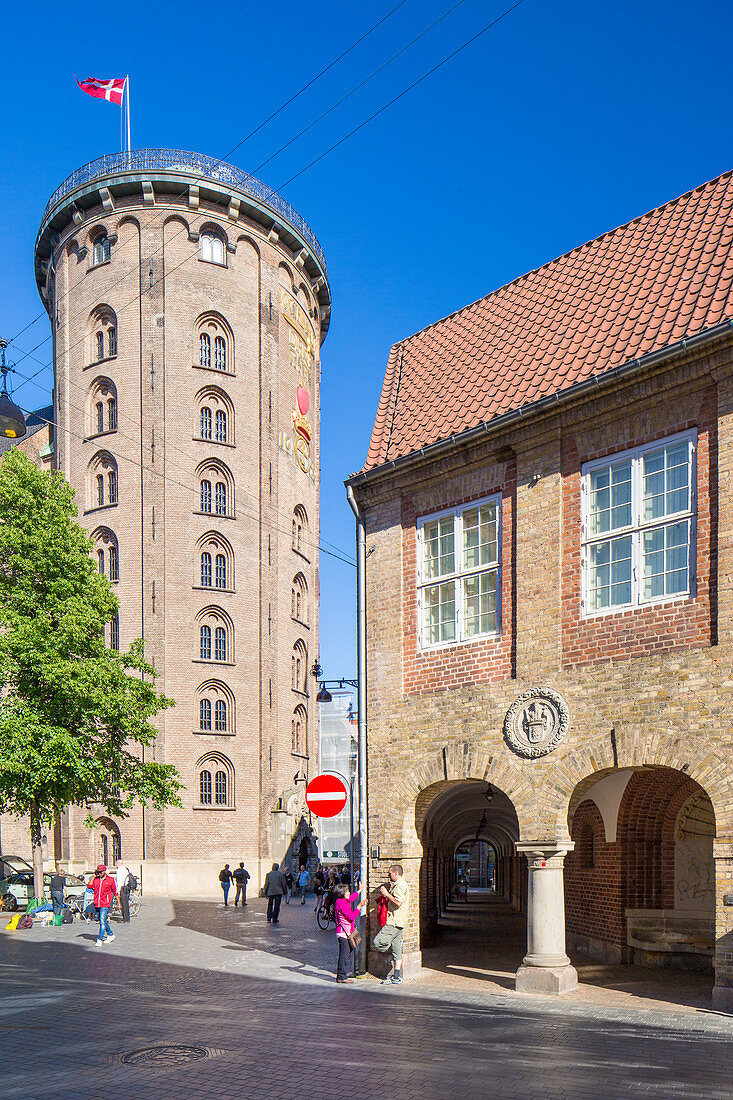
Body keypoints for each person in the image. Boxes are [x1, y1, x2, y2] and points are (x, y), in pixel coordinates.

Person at [373, 864, 410, 985]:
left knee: (377, 942)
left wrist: (387, 894)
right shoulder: (400, 885)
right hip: (399, 921)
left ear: (396, 873)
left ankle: (388, 943)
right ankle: (397, 975)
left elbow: (398, 902)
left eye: (389, 873)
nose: (388, 875)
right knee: (397, 949)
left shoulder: (400, 886)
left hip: (394, 922)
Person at [334, 883, 365, 984]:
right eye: (347, 891)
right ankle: (341, 976)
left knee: (347, 953)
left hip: (346, 933)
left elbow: (351, 898)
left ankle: (343, 974)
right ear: (342, 893)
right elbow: (351, 917)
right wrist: (359, 907)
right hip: (344, 933)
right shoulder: (342, 903)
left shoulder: (342, 900)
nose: (349, 892)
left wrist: (359, 891)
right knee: (344, 955)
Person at [92, 864, 117, 947]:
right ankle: (110, 934)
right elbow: (89, 886)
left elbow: (115, 891)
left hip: (105, 903)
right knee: (102, 920)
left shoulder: (110, 880)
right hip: (97, 903)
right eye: (98, 872)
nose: (99, 873)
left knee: (102, 920)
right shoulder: (96, 880)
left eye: (101, 872)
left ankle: (99, 939)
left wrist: (119, 903)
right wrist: (93, 877)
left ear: (104, 871)